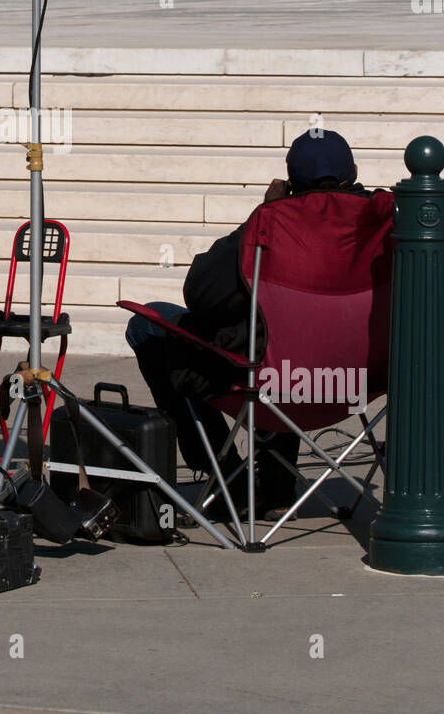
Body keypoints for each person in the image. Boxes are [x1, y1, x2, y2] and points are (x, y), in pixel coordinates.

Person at [126, 130, 373, 520]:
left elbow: (201, 294)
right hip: (352, 382)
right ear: (355, 172)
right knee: (288, 336)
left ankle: (226, 479)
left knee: (149, 325)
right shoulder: (379, 226)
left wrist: (260, 217)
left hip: (274, 382)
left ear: (290, 182)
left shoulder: (274, 225)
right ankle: (274, 487)